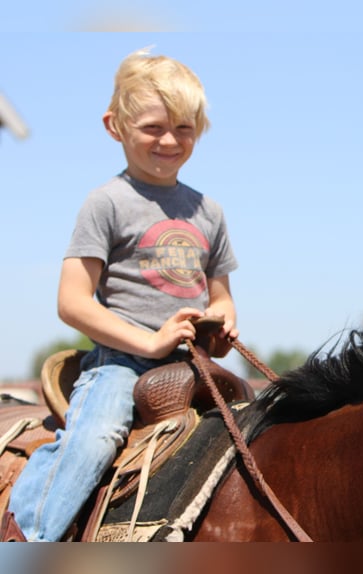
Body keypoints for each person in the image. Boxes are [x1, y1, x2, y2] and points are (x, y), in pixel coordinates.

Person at [6, 48, 239, 542]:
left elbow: (221, 296)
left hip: (191, 363)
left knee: (253, 431)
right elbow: (72, 302)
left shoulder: (210, 212)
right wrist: (149, 342)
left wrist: (221, 321)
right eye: (153, 127)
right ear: (116, 126)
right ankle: (27, 535)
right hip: (121, 364)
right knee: (94, 440)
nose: (170, 140)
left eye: (184, 128)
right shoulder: (108, 201)